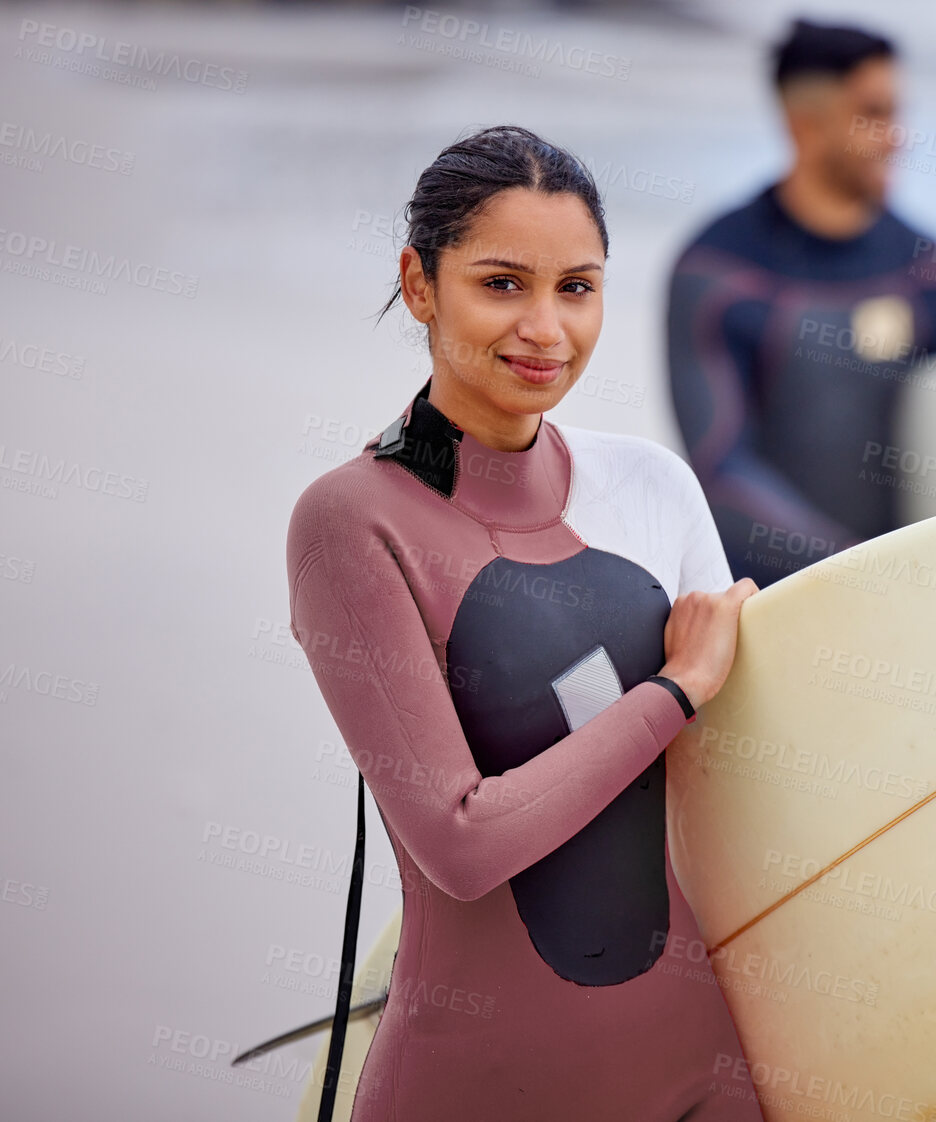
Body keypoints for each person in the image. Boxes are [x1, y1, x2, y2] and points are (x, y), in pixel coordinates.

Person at [285, 124, 765, 1122]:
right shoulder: (352, 525)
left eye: (576, 287)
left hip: (700, 1078)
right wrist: (670, 693)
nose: (545, 328)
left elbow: (745, 801)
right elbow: (458, 843)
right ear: (420, 285)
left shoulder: (652, 488)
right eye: (501, 284)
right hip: (474, 1088)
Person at [667, 18, 936, 587]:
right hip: (773, 607)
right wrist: (856, 572)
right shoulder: (717, 273)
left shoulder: (927, 267)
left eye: (897, 112)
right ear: (805, 126)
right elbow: (721, 472)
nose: (897, 135)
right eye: (874, 115)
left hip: (912, 596)